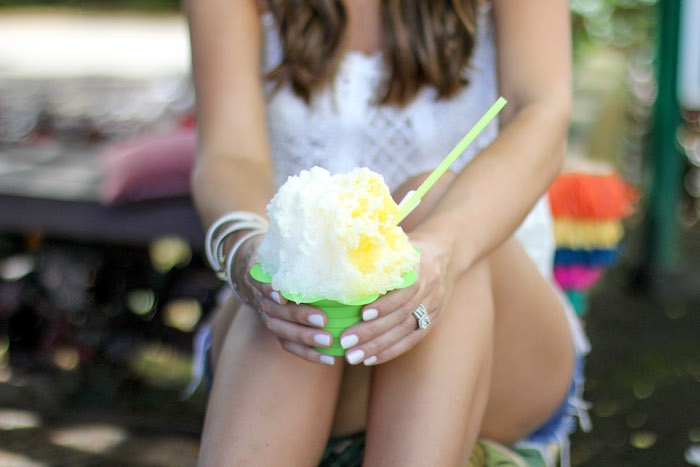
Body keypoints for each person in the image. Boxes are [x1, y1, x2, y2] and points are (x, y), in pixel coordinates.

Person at [185, 0, 589, 465]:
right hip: (299, 344)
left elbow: (540, 111)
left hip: (500, 324)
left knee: (428, 216)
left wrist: (446, 249)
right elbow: (229, 151)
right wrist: (249, 251)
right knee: (302, 276)